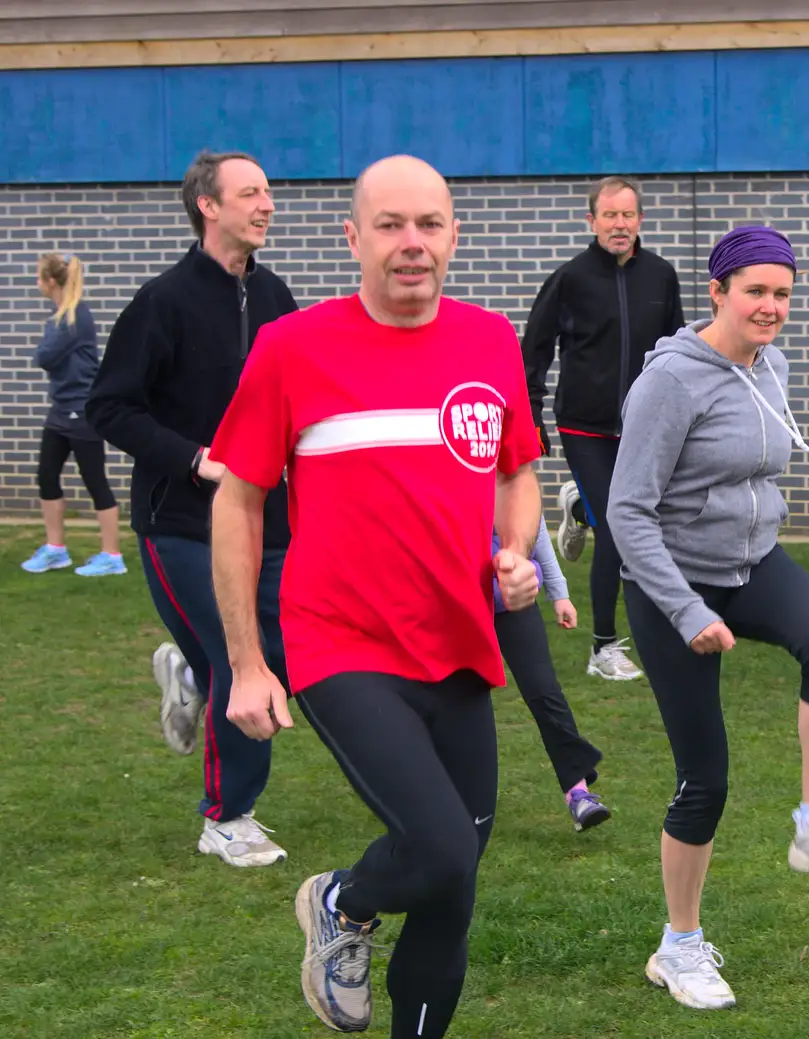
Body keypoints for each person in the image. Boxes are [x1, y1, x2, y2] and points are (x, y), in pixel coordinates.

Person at [208, 154, 544, 1038]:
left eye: (428, 225)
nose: (411, 244)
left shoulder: (490, 340)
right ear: (353, 237)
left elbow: (518, 473)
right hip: (340, 644)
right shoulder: (293, 346)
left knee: (456, 874)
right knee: (437, 844)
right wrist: (246, 663)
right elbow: (238, 500)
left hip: (462, 643)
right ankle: (344, 903)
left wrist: (514, 554)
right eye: (390, 225)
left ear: (453, 237)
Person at [609, 225, 809, 1011]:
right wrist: (688, 608)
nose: (770, 307)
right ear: (718, 290)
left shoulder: (770, 365)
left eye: (783, 294)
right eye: (755, 290)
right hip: (670, 582)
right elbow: (627, 510)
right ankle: (679, 947)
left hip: (751, 563)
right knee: (706, 779)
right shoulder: (672, 382)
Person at [85, 149, 297, 864]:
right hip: (181, 521)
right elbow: (109, 406)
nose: (267, 204)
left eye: (268, 192)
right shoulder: (162, 301)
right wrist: (193, 457)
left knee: (280, 655)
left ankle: (187, 671)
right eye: (251, 193)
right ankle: (227, 815)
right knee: (243, 662)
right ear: (208, 206)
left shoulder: (275, 299)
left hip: (271, 520)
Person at [522, 174, 686, 683]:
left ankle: (581, 508)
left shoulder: (661, 275)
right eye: (610, 215)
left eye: (628, 215)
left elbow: (678, 350)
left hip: (641, 426)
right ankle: (603, 648)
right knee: (620, 528)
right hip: (584, 426)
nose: (620, 224)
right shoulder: (570, 279)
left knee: (649, 523)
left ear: (640, 219)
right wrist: (530, 413)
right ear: (591, 220)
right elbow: (535, 347)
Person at [490, 524, 612, 831]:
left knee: (545, 692)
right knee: (455, 696)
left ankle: (579, 794)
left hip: (512, 600)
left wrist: (559, 593)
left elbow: (535, 528)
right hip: (454, 604)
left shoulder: (505, 478)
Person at [22, 252, 124, 577]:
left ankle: (112, 556)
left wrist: (43, 349)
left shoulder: (73, 318)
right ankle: (56, 550)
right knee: (46, 476)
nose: (37, 284)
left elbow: (44, 356)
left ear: (51, 281)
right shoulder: (60, 317)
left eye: (39, 278)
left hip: (82, 411)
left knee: (95, 482)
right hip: (60, 410)